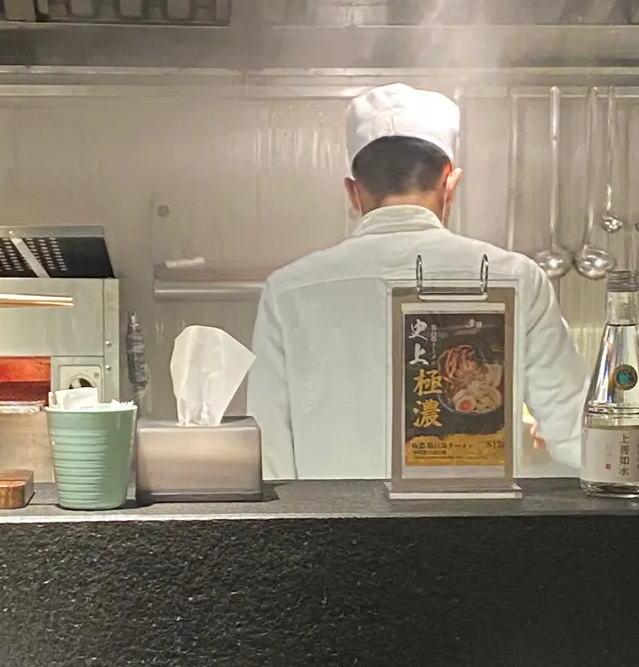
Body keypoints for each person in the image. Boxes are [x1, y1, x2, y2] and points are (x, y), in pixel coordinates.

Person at [247, 83, 588, 481]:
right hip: (485, 521)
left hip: (331, 522)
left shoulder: (288, 290)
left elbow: (268, 454)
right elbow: (578, 438)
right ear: (450, 184)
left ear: (354, 192)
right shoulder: (517, 277)